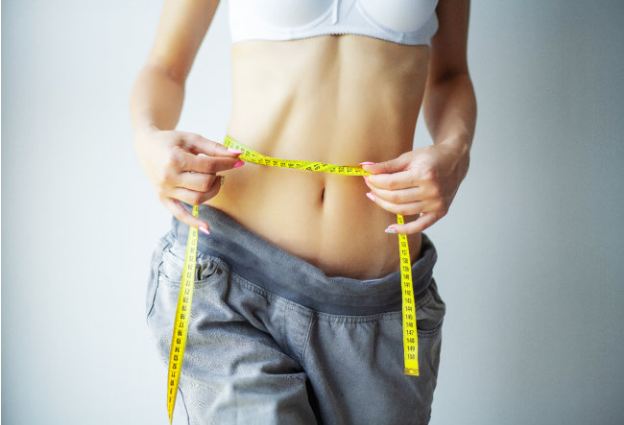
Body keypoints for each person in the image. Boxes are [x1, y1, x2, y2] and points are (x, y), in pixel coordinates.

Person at [130, 0, 476, 423]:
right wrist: (148, 139)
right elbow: (165, 67)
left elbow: (450, 75)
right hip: (233, 281)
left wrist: (455, 151)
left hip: (381, 298)